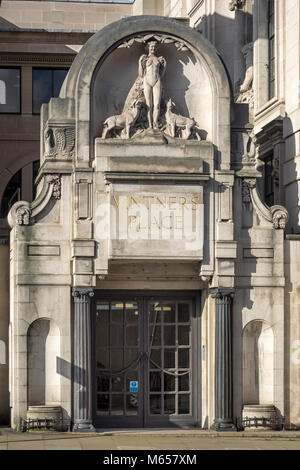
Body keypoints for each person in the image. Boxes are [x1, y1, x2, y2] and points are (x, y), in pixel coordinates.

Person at [138, 41, 166, 129]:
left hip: (157, 80)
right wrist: (140, 62)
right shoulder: (145, 58)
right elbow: (141, 74)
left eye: (154, 47)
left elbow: (162, 74)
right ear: (148, 47)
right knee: (148, 105)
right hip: (147, 81)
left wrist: (165, 66)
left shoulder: (159, 59)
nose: (153, 48)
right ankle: (150, 125)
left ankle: (155, 124)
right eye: (151, 47)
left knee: (157, 105)